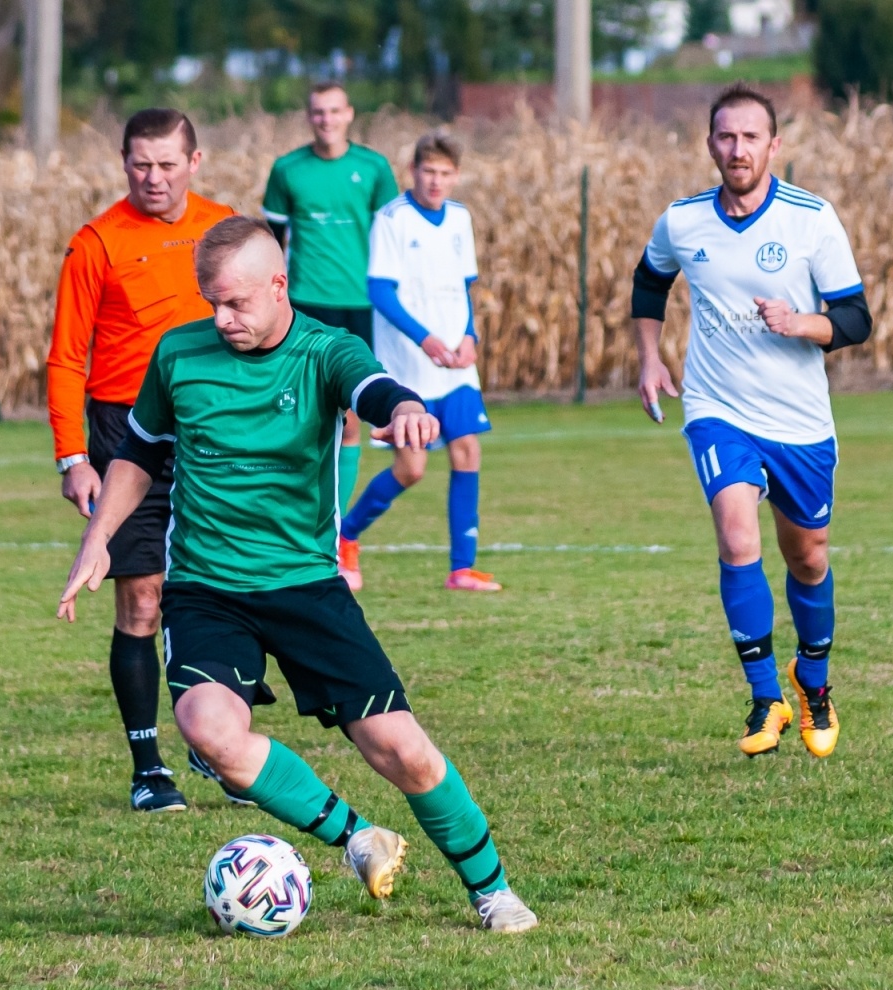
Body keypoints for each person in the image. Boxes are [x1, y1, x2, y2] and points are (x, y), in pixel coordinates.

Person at [57, 217, 538, 932]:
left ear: (279, 286)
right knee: (208, 730)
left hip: (305, 585)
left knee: (402, 753)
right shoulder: (178, 355)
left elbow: (372, 386)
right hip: (207, 589)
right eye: (211, 303)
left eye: (236, 303)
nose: (221, 319)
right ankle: (356, 839)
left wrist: (405, 407)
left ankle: (491, 888)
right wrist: (100, 539)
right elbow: (140, 452)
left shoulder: (323, 350)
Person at [632, 84, 872, 759]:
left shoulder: (811, 219)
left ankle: (812, 684)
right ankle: (766, 698)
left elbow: (856, 318)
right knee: (738, 539)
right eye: (725, 137)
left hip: (799, 419)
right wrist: (649, 358)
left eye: (750, 137)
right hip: (717, 410)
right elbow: (648, 282)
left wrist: (802, 324)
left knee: (809, 556)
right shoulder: (682, 222)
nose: (737, 149)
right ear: (710, 143)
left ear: (774, 145)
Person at [45, 108, 235, 814]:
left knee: (222, 590)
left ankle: (215, 743)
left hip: (212, 424)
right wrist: (73, 456)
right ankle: (148, 767)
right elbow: (67, 355)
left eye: (166, 164)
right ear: (123, 163)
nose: (152, 178)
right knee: (142, 597)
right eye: (139, 165)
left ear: (195, 160)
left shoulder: (226, 229)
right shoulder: (96, 242)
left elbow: (268, 321)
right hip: (124, 429)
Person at [338, 133, 498, 592]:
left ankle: (461, 568)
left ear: (456, 176)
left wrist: (470, 335)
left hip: (456, 364)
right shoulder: (392, 220)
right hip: (408, 366)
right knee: (412, 469)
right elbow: (379, 292)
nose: (436, 181)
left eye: (446, 173)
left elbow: (464, 287)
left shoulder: (460, 219)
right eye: (429, 171)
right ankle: (346, 536)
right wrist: (425, 340)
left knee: (467, 451)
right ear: (414, 171)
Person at [261, 82, 399, 535]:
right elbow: (272, 245)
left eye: (335, 111)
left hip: (359, 306)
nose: (327, 119)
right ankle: (284, 517)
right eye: (319, 112)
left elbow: (393, 241)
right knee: (297, 414)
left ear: (349, 114)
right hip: (304, 304)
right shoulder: (287, 170)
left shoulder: (374, 168)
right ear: (309, 116)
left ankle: (332, 531)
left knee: (351, 421)